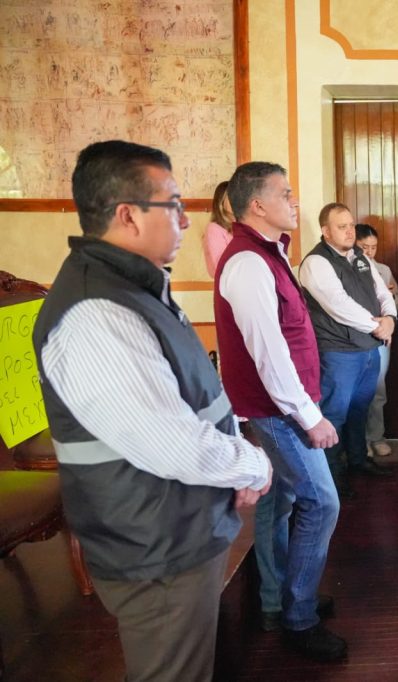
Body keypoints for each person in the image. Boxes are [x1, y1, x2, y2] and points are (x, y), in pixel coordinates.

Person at [33, 140, 272, 681]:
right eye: (174, 204)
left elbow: (190, 400)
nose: (186, 220)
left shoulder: (133, 287)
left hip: (175, 529)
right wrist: (251, 464)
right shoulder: (96, 311)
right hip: (156, 546)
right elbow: (172, 443)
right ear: (128, 215)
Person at [214, 161, 346, 661]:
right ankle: (298, 616)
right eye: (285, 194)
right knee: (322, 502)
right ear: (257, 205)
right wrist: (310, 417)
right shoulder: (248, 263)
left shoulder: (268, 253)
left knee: (284, 503)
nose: (295, 202)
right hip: (277, 410)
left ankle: (281, 599)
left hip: (285, 404)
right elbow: (269, 354)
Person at [298, 203, 396, 497]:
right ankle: (331, 476)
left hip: (368, 350)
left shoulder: (360, 257)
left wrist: (390, 318)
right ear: (325, 231)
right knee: (334, 415)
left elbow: (382, 290)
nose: (350, 231)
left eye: (351, 225)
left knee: (359, 411)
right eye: (342, 226)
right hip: (338, 353)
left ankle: (358, 461)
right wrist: (378, 326)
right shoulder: (316, 262)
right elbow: (338, 305)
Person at [356, 223, 398, 458]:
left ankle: (376, 436)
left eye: (373, 247)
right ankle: (358, 442)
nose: (369, 252)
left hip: (381, 337)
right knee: (356, 392)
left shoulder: (383, 270)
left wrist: (391, 298)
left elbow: (397, 300)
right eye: (364, 247)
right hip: (354, 338)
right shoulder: (346, 268)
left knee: (377, 389)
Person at [202, 180, 234, 277]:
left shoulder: (243, 225)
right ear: (221, 202)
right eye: (232, 197)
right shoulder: (214, 229)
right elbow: (220, 267)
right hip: (228, 283)